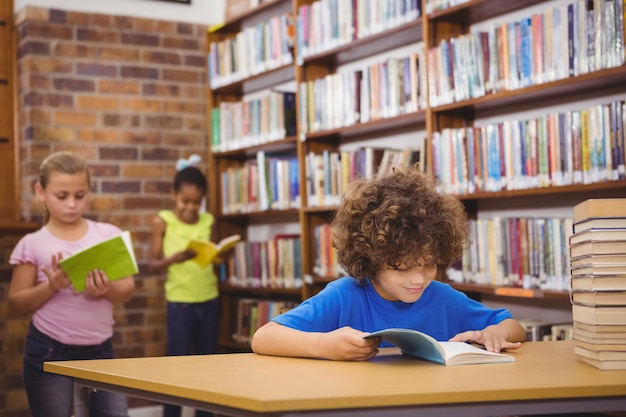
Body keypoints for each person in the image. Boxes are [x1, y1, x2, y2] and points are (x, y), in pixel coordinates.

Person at [251, 164, 526, 361]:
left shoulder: (442, 297)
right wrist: (324, 345)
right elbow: (263, 338)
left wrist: (494, 333)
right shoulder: (344, 295)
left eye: (428, 264)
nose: (418, 279)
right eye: (402, 268)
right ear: (372, 258)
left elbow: (513, 325)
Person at [9, 151, 135, 417]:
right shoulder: (32, 244)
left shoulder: (106, 235)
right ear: (41, 191)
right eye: (62, 196)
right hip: (49, 350)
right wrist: (51, 286)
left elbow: (127, 288)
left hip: (101, 350)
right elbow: (16, 304)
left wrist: (106, 289)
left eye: (80, 195)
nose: (72, 205)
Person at [149, 155, 219, 417]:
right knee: (176, 367)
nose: (191, 207)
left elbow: (213, 253)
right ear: (173, 194)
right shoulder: (163, 221)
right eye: (185, 201)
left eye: (196, 202)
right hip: (180, 304)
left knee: (208, 368)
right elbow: (152, 264)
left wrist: (220, 255)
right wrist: (175, 258)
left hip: (209, 300)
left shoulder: (208, 221)